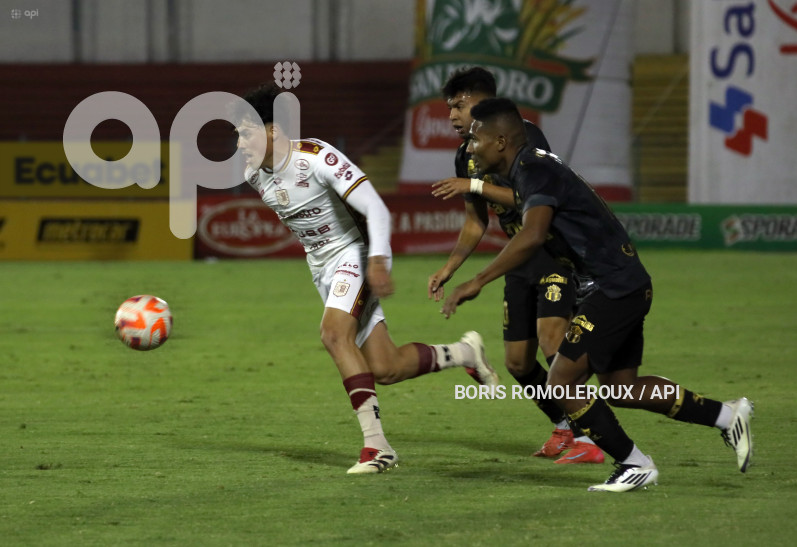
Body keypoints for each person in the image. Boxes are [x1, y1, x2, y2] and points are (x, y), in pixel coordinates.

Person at [441, 97, 753, 492]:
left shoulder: (534, 170)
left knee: (562, 382)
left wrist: (477, 280)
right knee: (622, 387)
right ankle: (727, 417)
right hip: (619, 283)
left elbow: (534, 234)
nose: (470, 148)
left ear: (500, 141)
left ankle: (634, 463)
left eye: (476, 139)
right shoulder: (527, 168)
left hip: (614, 287)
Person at [234, 83, 499, 474]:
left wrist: (376, 260)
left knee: (333, 334)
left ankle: (377, 448)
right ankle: (464, 354)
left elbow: (375, 208)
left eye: (245, 131)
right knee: (386, 367)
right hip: (322, 268)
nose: (239, 142)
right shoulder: (255, 173)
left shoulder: (318, 157)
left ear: (272, 130)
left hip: (355, 254)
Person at [428, 67, 603, 464]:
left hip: (552, 251)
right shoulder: (466, 154)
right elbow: (477, 221)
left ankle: (590, 438)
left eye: (460, 105)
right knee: (518, 363)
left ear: (484, 100)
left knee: (551, 342)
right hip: (517, 258)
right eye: (449, 108)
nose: (453, 115)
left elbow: (532, 197)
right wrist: (451, 267)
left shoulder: (524, 136)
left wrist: (474, 186)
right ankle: (563, 425)